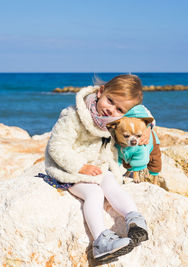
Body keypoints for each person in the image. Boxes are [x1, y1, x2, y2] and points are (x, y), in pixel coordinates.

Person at [43, 74, 150, 262]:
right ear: (100, 92)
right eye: (110, 101)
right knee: (94, 194)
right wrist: (80, 166)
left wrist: (149, 128)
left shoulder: (107, 119)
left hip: (95, 168)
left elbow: (143, 113)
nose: (111, 110)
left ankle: (134, 219)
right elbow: (56, 146)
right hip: (68, 170)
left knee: (111, 183)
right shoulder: (74, 116)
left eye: (119, 109)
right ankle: (101, 241)